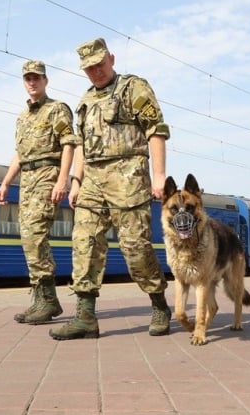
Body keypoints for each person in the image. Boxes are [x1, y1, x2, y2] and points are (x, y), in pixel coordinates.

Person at [49, 37, 172, 340]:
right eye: (89, 68)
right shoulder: (86, 100)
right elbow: (80, 146)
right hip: (92, 179)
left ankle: (159, 304)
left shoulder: (133, 88)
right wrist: (76, 181)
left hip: (129, 176)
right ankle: (85, 316)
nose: (95, 72)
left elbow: (155, 130)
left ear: (111, 59)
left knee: (135, 248)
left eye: (99, 65)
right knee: (84, 242)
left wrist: (159, 176)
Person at [0, 60, 78, 324]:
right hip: (27, 180)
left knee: (35, 234)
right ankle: (41, 299)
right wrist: (6, 182)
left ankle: (49, 301)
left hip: (47, 176)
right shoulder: (22, 117)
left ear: (46, 81)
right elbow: (19, 154)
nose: (32, 82)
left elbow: (68, 144)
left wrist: (62, 180)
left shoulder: (57, 109)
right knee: (28, 237)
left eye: (37, 78)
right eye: (28, 78)